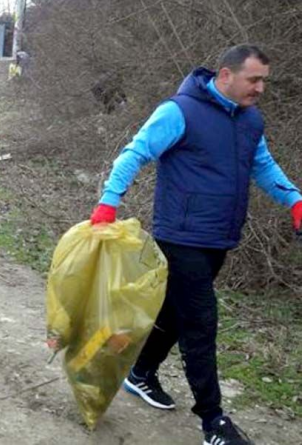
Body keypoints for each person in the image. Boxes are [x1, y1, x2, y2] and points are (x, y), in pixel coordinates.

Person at [89, 44, 302, 445]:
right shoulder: (179, 111)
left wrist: (294, 198)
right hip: (181, 234)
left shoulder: (250, 119)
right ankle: (213, 422)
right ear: (225, 76)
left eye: (264, 81)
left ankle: (140, 372)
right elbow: (135, 153)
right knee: (201, 322)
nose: (260, 88)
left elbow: (263, 165)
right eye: (253, 79)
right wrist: (107, 203)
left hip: (219, 235)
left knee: (173, 313)